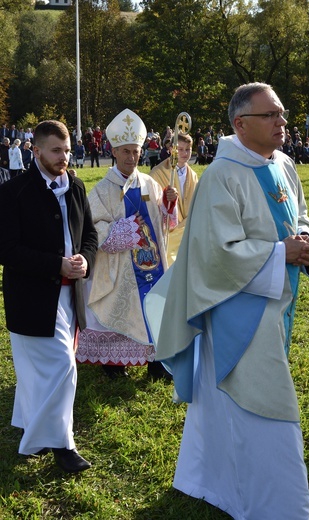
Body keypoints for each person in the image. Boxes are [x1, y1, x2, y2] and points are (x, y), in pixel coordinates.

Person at [145, 83, 309, 520]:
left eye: (282, 113)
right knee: (259, 398)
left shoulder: (281, 163)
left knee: (226, 403)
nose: (283, 122)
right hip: (237, 308)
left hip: (278, 299)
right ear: (241, 124)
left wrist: (306, 237)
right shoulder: (222, 175)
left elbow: (299, 210)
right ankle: (280, 503)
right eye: (272, 116)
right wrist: (283, 252)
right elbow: (216, 253)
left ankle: (211, 478)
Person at [0, 120, 98, 473]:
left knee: (41, 370)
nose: (65, 157)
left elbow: (90, 235)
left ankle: (35, 433)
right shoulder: (15, 192)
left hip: (71, 297)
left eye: (68, 149)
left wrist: (86, 259)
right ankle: (61, 445)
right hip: (31, 296)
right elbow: (7, 249)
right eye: (56, 150)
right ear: (36, 150)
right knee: (61, 366)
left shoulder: (76, 187)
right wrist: (55, 264)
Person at [76, 108, 178, 381]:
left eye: (136, 151)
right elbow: (93, 228)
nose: (132, 157)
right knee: (120, 307)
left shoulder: (149, 183)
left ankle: (156, 362)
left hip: (152, 264)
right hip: (120, 264)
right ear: (114, 151)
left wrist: (169, 202)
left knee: (154, 310)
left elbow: (165, 223)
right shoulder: (102, 190)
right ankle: (113, 362)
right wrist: (124, 230)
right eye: (126, 152)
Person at [150, 133, 198, 265]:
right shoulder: (158, 173)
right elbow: (152, 204)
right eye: (180, 149)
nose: (184, 153)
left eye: (187, 149)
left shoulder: (193, 175)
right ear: (171, 149)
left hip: (188, 231)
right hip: (168, 233)